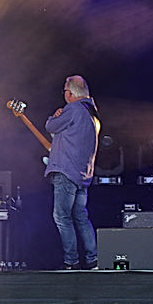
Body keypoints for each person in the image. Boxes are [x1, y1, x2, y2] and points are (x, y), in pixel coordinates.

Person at [44, 76, 100, 270]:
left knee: (62, 217)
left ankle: (71, 262)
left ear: (70, 93)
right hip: (83, 174)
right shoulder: (92, 112)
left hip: (66, 172)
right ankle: (93, 260)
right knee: (81, 217)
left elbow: (51, 127)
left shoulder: (74, 109)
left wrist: (55, 116)